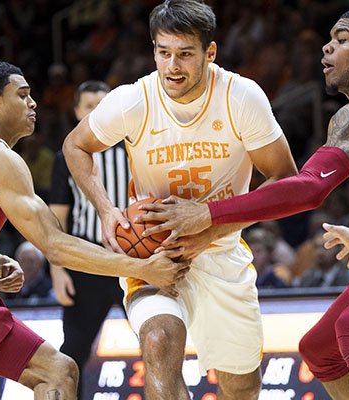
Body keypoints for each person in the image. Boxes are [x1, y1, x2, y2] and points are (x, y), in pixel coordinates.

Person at [136, 8, 349, 399]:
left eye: (341, 40)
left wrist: (207, 213)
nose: (327, 47)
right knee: (319, 349)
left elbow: (307, 189)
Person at [0, 59, 188, 400]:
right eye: (23, 94)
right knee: (57, 370)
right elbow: (55, 245)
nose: (33, 103)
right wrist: (142, 268)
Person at [63, 1, 297, 398]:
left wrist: (209, 228)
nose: (172, 66)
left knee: (241, 385)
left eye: (185, 54)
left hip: (221, 249)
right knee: (158, 340)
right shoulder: (134, 100)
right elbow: (76, 146)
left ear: (210, 52)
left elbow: (285, 179)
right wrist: (106, 209)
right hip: (153, 253)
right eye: (163, 52)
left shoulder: (240, 96)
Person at [49, 80, 130, 397]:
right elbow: (57, 218)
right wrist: (56, 270)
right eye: (89, 106)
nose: (97, 112)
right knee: (73, 353)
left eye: (103, 105)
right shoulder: (64, 157)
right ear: (77, 112)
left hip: (134, 260)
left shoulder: (138, 151)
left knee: (158, 343)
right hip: (86, 261)